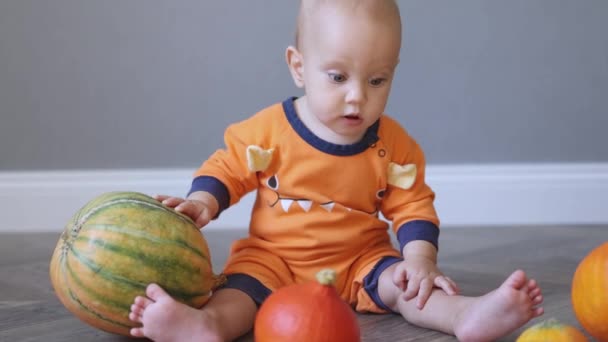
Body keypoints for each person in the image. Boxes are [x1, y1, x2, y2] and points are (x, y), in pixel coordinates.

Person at [128, 0, 544, 341]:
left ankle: (464, 315)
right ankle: (206, 327)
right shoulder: (269, 131)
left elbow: (414, 205)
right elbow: (229, 166)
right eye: (338, 77)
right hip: (274, 259)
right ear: (298, 67)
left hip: (362, 262)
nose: (357, 97)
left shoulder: (392, 144)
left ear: (393, 71)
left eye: (377, 80)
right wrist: (203, 200)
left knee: (407, 288)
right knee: (238, 295)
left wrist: (420, 259)